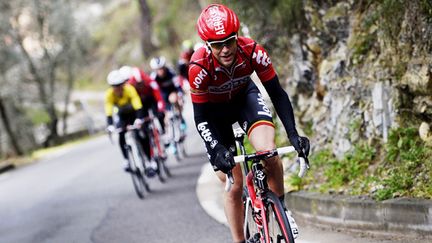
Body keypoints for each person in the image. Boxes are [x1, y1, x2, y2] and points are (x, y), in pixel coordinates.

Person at [188, 4, 310, 243]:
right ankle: (239, 240)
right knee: (233, 185)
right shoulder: (198, 67)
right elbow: (201, 118)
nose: (224, 50)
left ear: (237, 36)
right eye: (216, 45)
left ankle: (281, 210)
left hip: (245, 100)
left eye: (229, 42)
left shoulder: (252, 50)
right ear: (207, 45)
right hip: (215, 117)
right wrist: (217, 149)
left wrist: (294, 135)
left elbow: (277, 94)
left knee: (269, 153)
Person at [104, 69, 146, 172]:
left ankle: (148, 161)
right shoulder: (109, 94)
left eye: (119, 85)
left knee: (139, 134)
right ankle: (126, 159)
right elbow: (108, 110)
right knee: (121, 134)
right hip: (122, 115)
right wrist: (110, 125)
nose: (117, 88)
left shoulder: (129, 89)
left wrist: (139, 119)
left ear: (123, 84)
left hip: (133, 113)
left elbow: (137, 104)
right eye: (115, 86)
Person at [150, 56, 187, 140]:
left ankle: (181, 119)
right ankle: (170, 137)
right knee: (166, 117)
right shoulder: (153, 77)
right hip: (162, 95)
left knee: (174, 99)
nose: (161, 71)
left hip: (172, 91)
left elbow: (177, 85)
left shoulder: (171, 72)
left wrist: (180, 93)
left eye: (162, 68)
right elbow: (153, 91)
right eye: (158, 69)